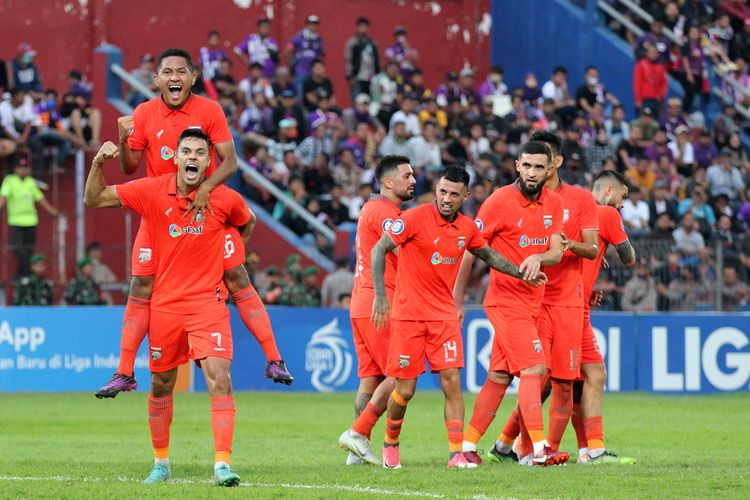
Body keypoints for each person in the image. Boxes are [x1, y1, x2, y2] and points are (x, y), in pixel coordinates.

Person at [97, 48, 291, 399]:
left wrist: (205, 191)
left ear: (193, 77)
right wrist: (125, 140)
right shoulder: (143, 113)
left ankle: (274, 359)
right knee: (141, 286)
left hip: (209, 210)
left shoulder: (209, 110)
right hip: (161, 215)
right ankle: (124, 371)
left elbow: (230, 162)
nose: (174, 77)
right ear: (156, 79)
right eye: (167, 72)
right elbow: (129, 168)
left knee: (236, 277)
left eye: (181, 72)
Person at [84, 131, 250, 486]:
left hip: (208, 305)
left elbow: (246, 223)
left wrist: (229, 257)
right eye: (186, 151)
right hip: (166, 307)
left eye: (200, 153)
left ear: (209, 163)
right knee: (161, 383)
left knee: (220, 379)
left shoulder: (224, 199)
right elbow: (94, 199)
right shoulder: (151, 189)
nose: (193, 157)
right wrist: (99, 163)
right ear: (175, 158)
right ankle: (161, 464)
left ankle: (222, 465)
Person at [371, 163, 548, 469]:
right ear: (435, 191)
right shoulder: (413, 218)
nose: (446, 198)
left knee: (452, 382)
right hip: (408, 317)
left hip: (443, 318)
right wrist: (380, 295)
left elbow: (490, 256)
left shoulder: (467, 228)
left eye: (454, 193)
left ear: (465, 195)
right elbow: (379, 249)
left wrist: (522, 274)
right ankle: (390, 443)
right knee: (405, 390)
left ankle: (457, 454)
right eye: (442, 191)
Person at [338, 155, 416, 466]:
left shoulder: (373, 209)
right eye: (407, 175)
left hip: (363, 302)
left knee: (370, 380)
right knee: (400, 375)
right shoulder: (385, 212)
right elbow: (399, 246)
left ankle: (357, 454)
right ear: (388, 182)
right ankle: (358, 433)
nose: (413, 180)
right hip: (382, 303)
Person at [574, 170, 636, 463]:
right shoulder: (608, 215)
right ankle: (510, 444)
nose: (623, 205)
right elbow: (630, 257)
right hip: (569, 310)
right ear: (609, 191)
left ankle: (593, 450)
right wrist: (614, 237)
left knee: (586, 378)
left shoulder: (572, 208)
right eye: (622, 197)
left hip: (575, 304)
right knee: (551, 381)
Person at [0, 161, 59, 278]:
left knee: (29, 251)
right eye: (20, 168)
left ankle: (22, 275)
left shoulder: (30, 182)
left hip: (31, 221)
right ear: (16, 169)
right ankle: (24, 274)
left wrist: (53, 211)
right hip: (16, 222)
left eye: (25, 168)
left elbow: (40, 198)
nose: (23, 170)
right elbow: (3, 197)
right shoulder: (10, 180)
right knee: (19, 251)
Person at [286, 15, 325, 97]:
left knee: (314, 96)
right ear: (306, 24)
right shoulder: (299, 37)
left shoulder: (318, 39)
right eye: (311, 23)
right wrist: (290, 64)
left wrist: (319, 70)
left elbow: (321, 56)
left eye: (315, 24)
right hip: (300, 71)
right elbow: (288, 50)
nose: (313, 26)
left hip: (313, 74)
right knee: (300, 95)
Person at [344, 17, 380, 101]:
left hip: (372, 78)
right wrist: (350, 76)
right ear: (357, 27)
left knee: (371, 101)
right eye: (361, 26)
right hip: (357, 77)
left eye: (365, 27)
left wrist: (379, 75)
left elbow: (377, 59)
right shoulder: (353, 42)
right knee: (357, 100)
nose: (363, 29)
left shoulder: (372, 42)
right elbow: (348, 59)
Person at [633, 45, 668, 114]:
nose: (653, 54)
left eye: (655, 52)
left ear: (657, 54)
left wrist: (661, 95)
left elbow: (664, 83)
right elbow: (637, 83)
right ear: (647, 53)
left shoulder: (660, 66)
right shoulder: (641, 64)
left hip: (656, 99)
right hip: (644, 99)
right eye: (651, 52)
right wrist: (638, 99)